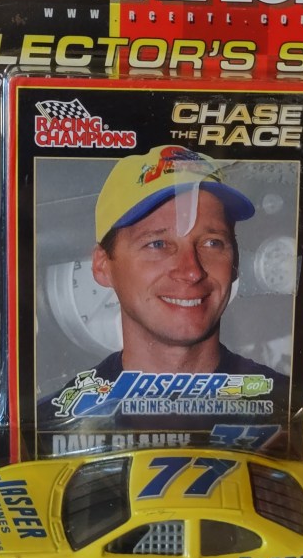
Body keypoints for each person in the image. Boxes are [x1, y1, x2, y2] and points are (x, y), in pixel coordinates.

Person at [37, 145, 290, 435]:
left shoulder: (290, 413)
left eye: (212, 243)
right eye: (157, 244)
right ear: (102, 266)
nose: (191, 271)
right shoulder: (51, 429)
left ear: (235, 263)